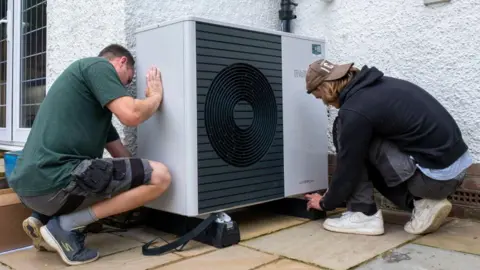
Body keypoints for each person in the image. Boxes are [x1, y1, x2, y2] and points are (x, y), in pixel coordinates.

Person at [7, 44, 171, 265]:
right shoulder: (97, 66)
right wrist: (155, 97)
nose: (126, 86)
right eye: (129, 79)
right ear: (121, 62)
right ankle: (65, 226)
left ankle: (42, 219)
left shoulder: (93, 108)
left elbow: (122, 156)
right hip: (55, 182)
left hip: (30, 188)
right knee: (161, 176)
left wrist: (138, 182)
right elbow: (131, 114)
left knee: (125, 174)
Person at [303, 59, 471, 236]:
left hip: (435, 180)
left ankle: (363, 214)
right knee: (357, 140)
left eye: (319, 97)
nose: (325, 103)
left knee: (345, 132)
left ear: (325, 88)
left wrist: (325, 203)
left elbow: (348, 165)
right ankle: (424, 205)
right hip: (452, 171)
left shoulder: (355, 110)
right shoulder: (378, 87)